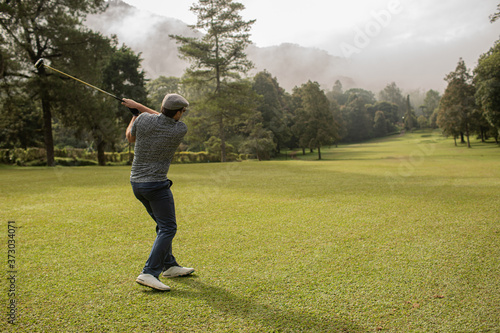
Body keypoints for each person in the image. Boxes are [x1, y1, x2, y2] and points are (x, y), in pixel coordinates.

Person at [123, 94, 194, 291]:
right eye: (183, 111)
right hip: (156, 186)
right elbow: (162, 119)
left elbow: (130, 136)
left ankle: (169, 265)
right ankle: (149, 272)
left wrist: (135, 113)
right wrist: (139, 107)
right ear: (178, 113)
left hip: (137, 184)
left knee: (162, 225)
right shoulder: (180, 128)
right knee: (168, 228)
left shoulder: (144, 120)